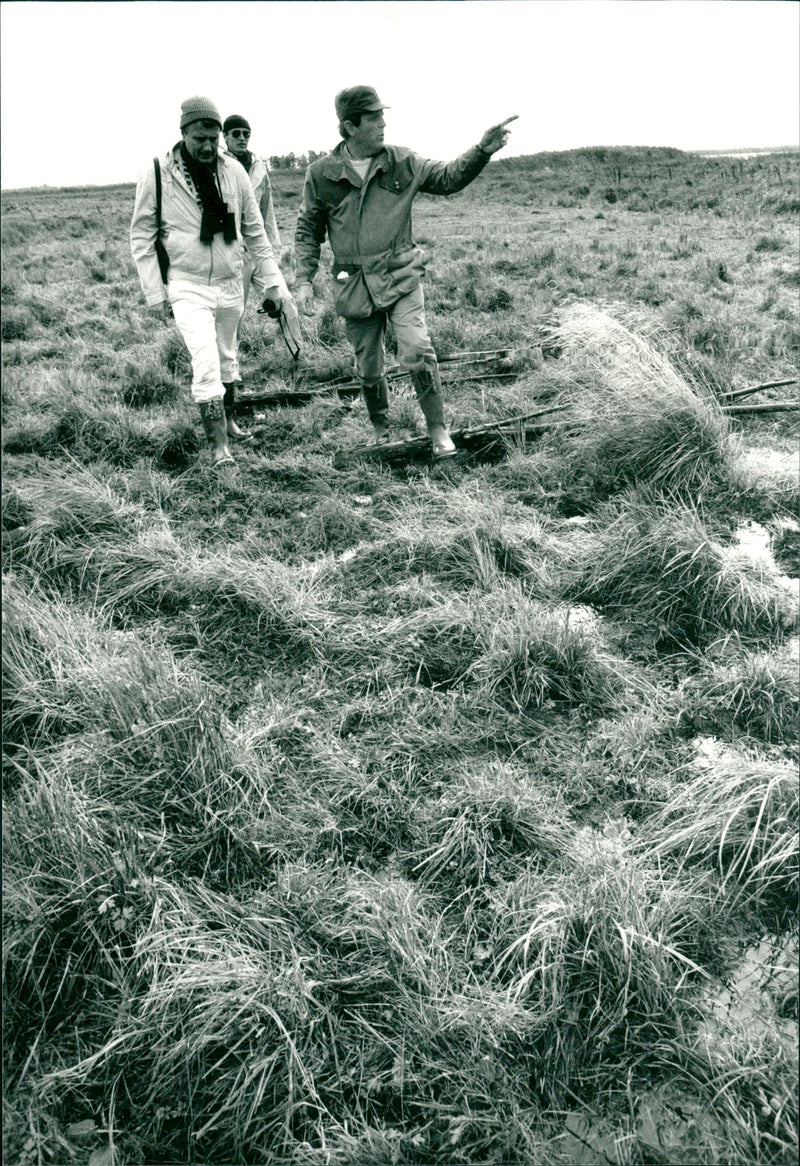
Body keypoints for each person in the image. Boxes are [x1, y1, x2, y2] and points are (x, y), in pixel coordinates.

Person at [294, 86, 516, 457]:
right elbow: (307, 230)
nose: (384, 123)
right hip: (353, 285)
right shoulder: (321, 175)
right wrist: (302, 279)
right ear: (350, 126)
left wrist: (481, 151)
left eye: (383, 115)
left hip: (400, 275)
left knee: (417, 350)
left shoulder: (402, 161)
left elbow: (447, 178)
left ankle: (438, 430)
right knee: (367, 365)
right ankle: (381, 428)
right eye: (375, 117)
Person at [130, 96, 297, 467]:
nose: (207, 146)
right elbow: (141, 236)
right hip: (186, 284)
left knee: (227, 357)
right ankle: (219, 447)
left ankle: (231, 421)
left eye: (212, 138)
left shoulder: (234, 171)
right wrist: (156, 292)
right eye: (199, 138)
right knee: (205, 362)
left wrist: (273, 282)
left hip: (230, 282)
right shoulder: (158, 173)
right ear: (184, 133)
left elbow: (255, 231)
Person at [221, 113, 281, 306]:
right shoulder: (218, 167)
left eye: (246, 134)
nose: (242, 138)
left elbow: (267, 211)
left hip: (260, 251)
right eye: (236, 133)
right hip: (233, 254)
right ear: (225, 137)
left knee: (284, 303)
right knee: (233, 314)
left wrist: (274, 247)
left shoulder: (259, 168)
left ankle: (295, 338)